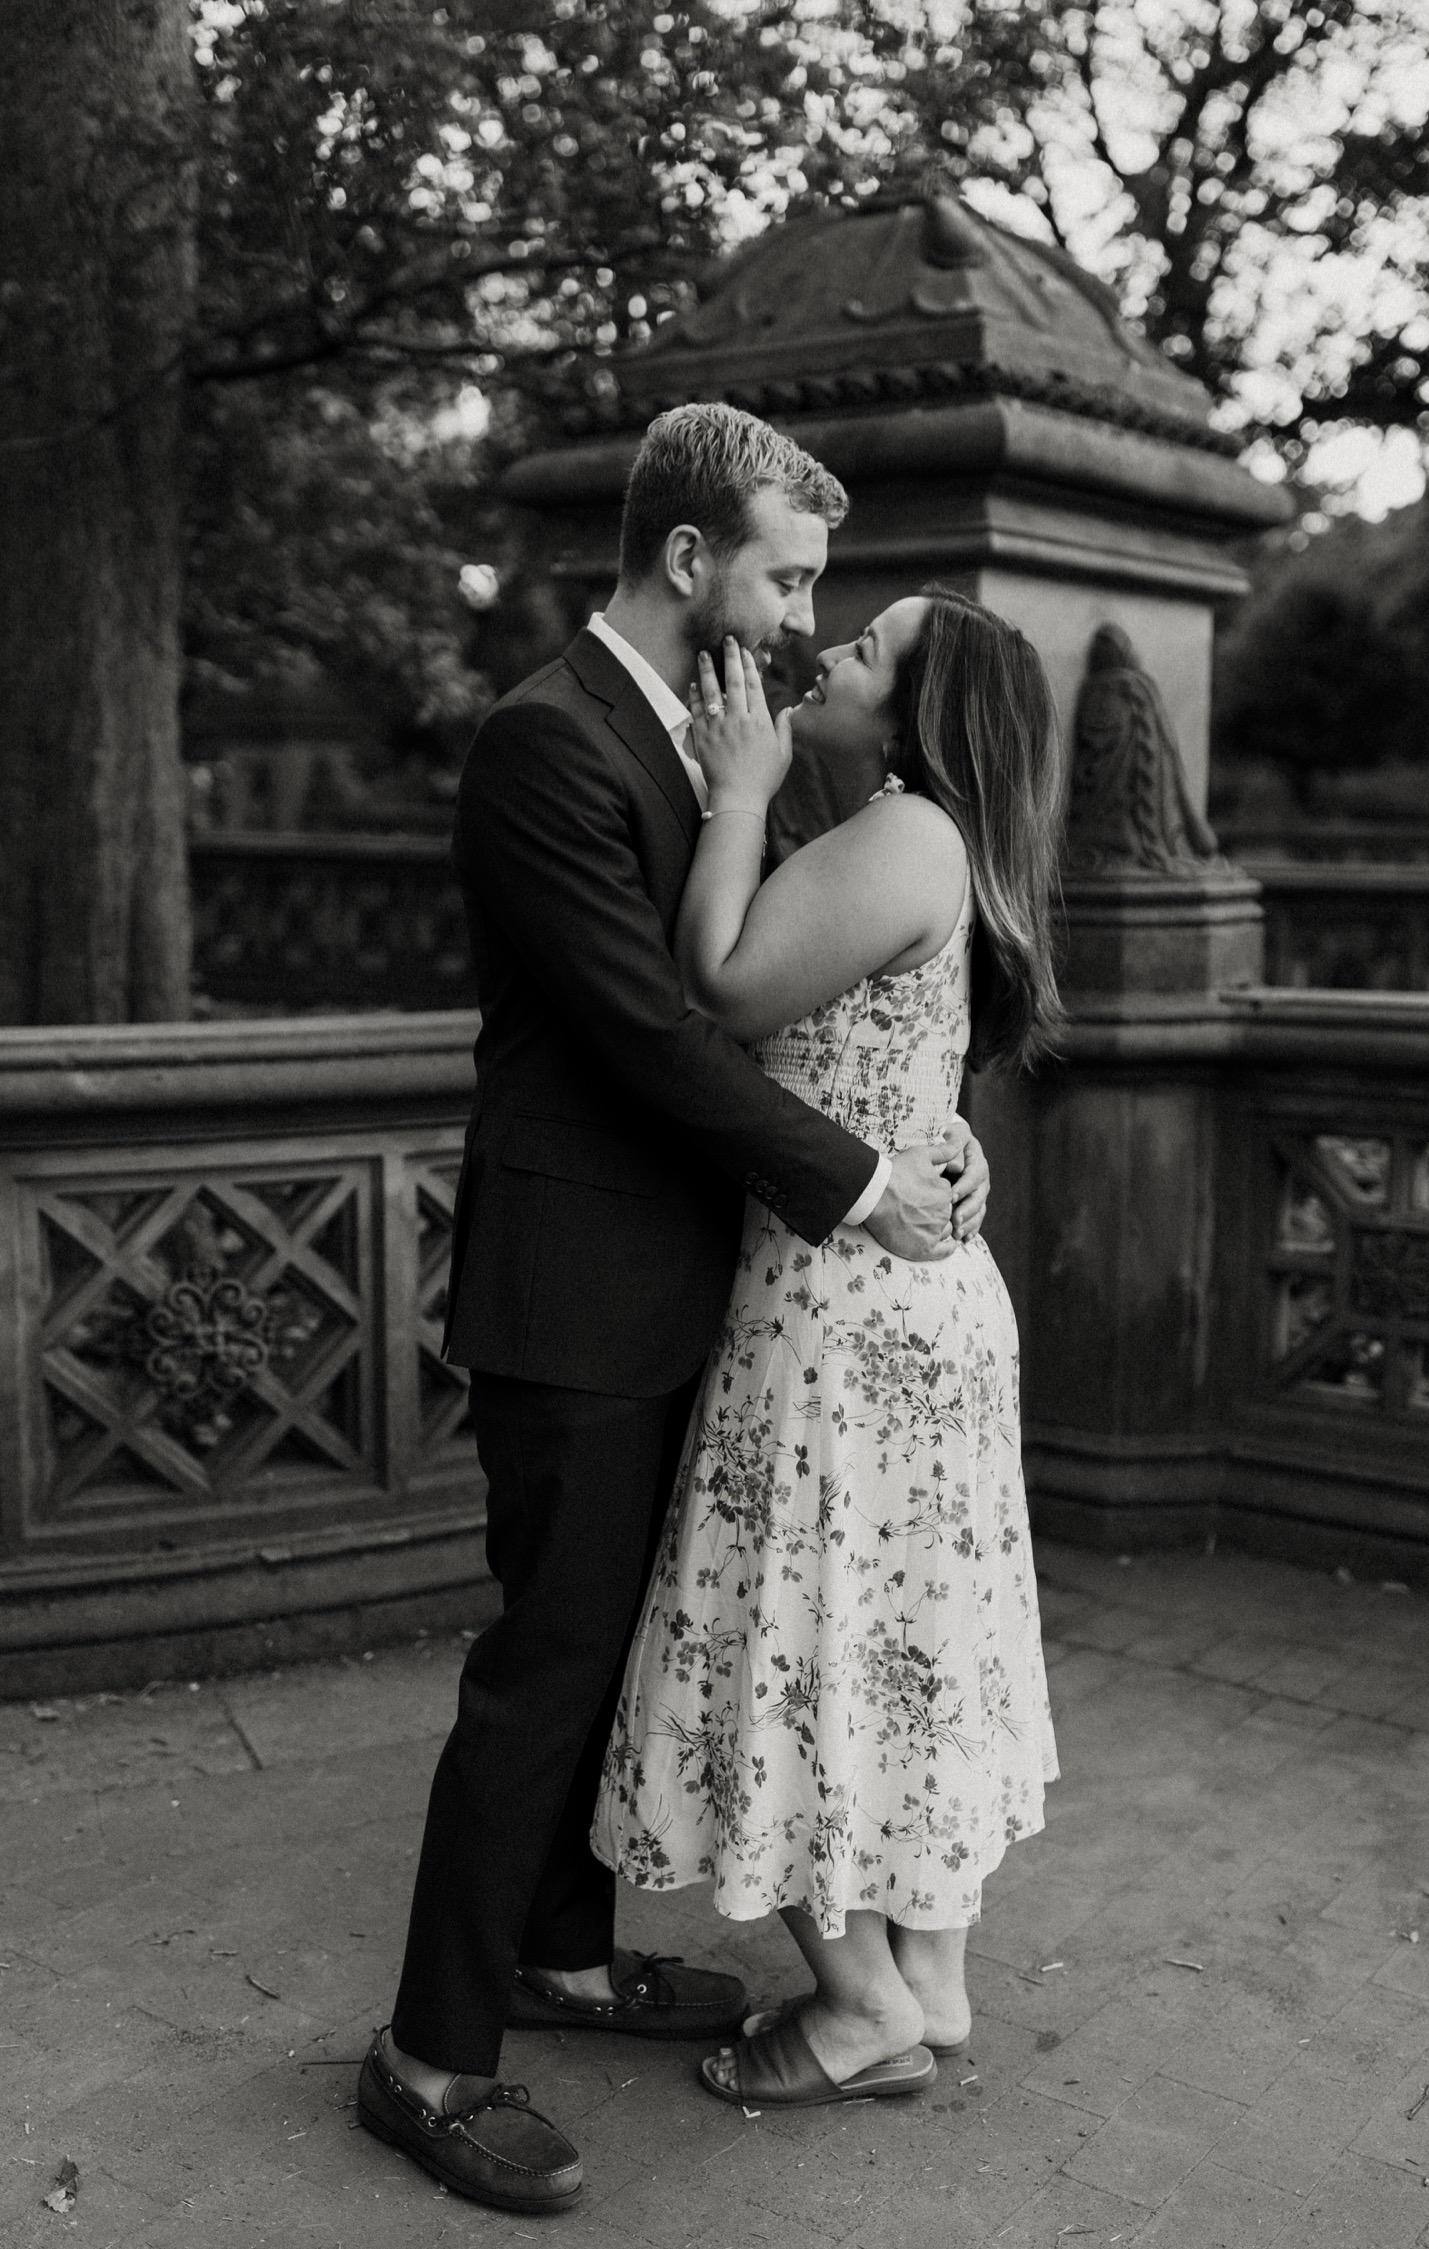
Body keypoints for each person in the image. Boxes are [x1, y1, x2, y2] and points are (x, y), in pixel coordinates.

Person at [356, 406, 993, 2214]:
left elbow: (809, 978)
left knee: (616, 1641)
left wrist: (929, 1142)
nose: (804, 618)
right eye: (788, 575)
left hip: (691, 1281)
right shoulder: (542, 745)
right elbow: (650, 1025)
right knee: (543, 1670)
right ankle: (427, 2055)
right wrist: (862, 1189)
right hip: (571, 1285)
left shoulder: (731, 739)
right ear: (693, 559)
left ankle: (561, 1956)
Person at [593, 589, 1064, 2109]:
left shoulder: (907, 829)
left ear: (922, 713)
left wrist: (734, 796)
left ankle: (862, 2005)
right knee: (907, 1639)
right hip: (907, 1294)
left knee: (794, 1636)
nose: (828, 652)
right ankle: (929, 1972)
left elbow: (718, 987)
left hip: (839, 1312)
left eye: (866, 649)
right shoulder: (941, 841)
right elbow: (900, 1049)